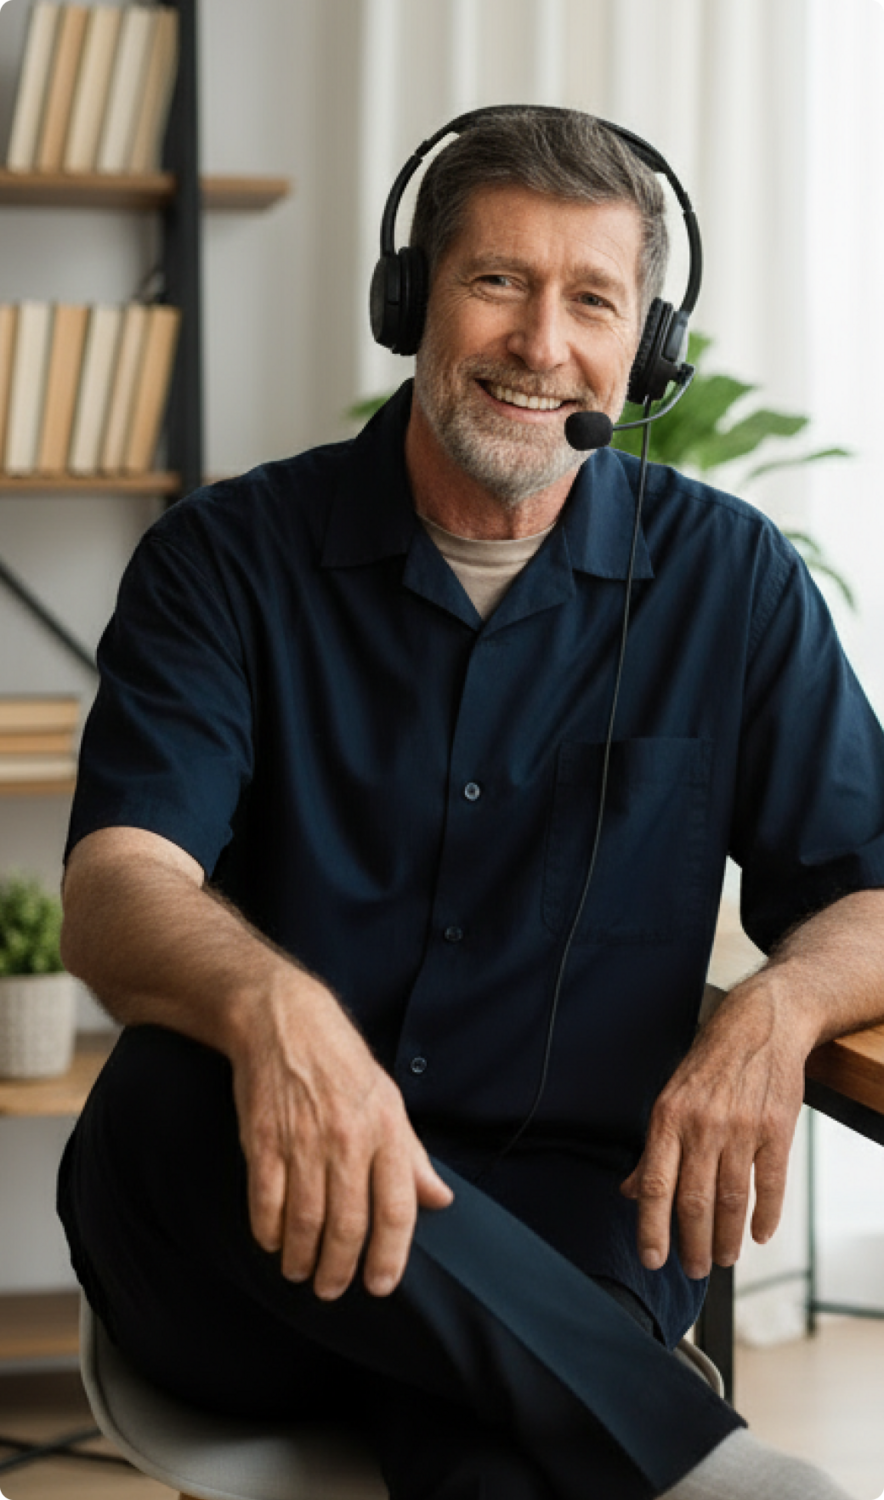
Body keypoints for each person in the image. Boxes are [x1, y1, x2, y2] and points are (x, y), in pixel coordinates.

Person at [57, 108, 884, 1499]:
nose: (538, 342)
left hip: (564, 1235)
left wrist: (780, 1008)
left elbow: (867, 886)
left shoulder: (730, 580)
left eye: (592, 301)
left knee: (501, 1454)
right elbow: (116, 884)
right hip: (246, 1244)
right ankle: (712, 1469)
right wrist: (278, 1012)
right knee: (166, 1088)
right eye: (497, 280)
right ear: (414, 301)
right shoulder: (224, 557)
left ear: (646, 352)